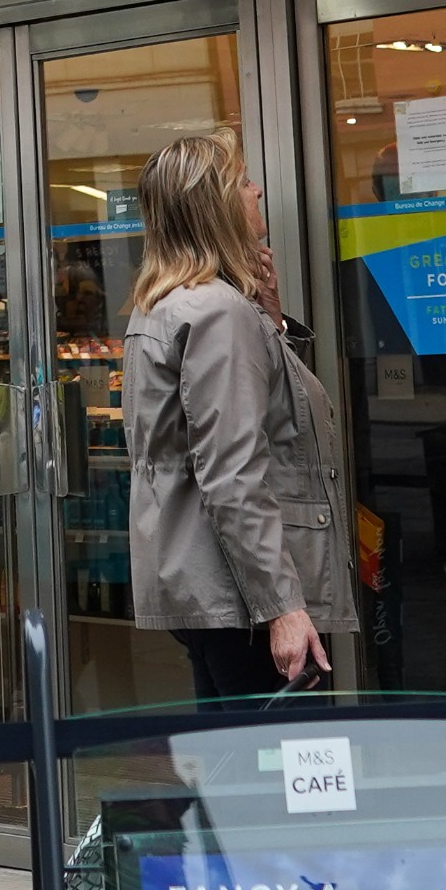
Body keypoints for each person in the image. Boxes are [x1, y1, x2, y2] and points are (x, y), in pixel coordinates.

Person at [123, 133, 352, 700]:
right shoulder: (218, 312)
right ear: (217, 205)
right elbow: (232, 471)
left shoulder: (168, 302)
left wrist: (270, 320)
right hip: (246, 597)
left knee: (236, 770)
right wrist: (283, 607)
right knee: (283, 778)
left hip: (207, 584)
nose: (258, 190)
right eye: (244, 181)